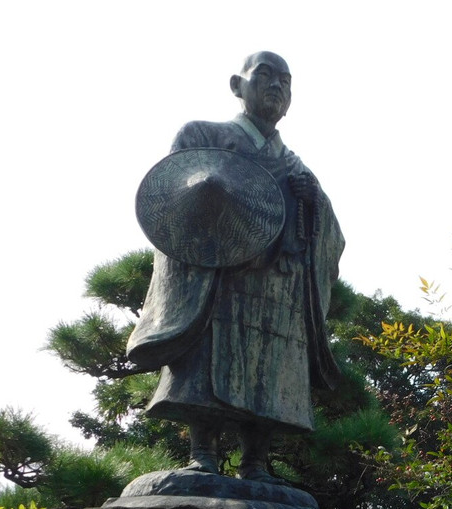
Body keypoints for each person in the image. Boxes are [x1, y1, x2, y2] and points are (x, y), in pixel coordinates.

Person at [127, 51, 343, 484]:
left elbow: (332, 236)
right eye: (265, 75)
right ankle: (202, 452)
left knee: (271, 365)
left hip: (277, 284)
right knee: (208, 360)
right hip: (220, 275)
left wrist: (313, 201)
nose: (277, 86)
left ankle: (256, 463)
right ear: (236, 84)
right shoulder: (202, 136)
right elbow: (173, 204)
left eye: (286, 80)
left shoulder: (296, 165)